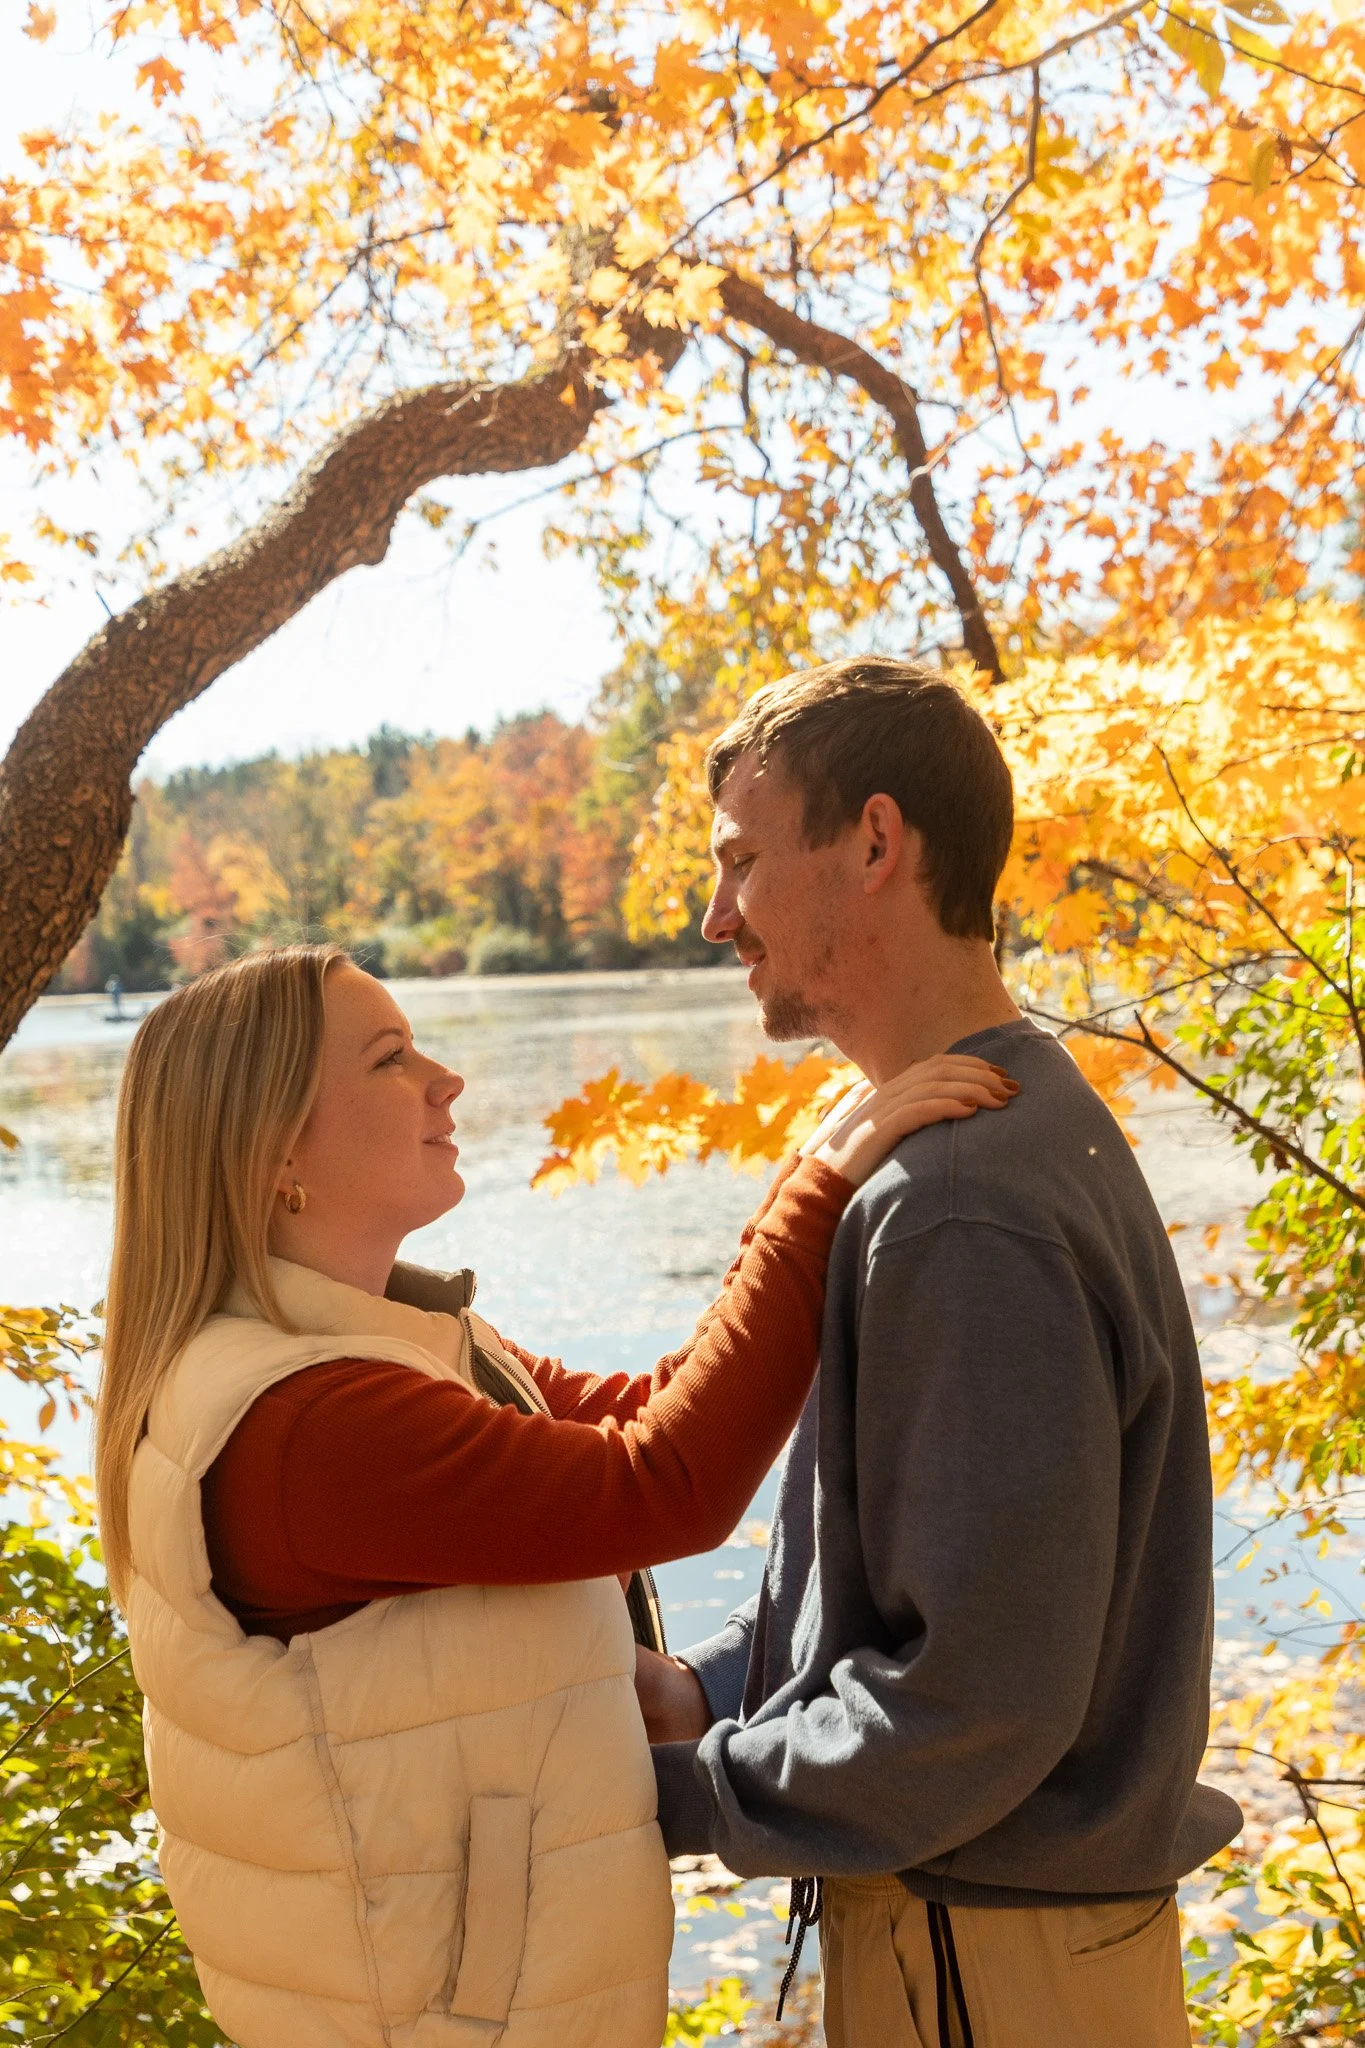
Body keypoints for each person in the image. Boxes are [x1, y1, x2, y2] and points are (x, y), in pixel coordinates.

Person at [93, 942, 1012, 2048]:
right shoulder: (307, 1426)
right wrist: (815, 1195)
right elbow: (663, 1482)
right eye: (391, 1057)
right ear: (278, 1145)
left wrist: (812, 1191)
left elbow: (656, 1405)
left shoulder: (388, 1339)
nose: (448, 1078)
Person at [636, 656, 1243, 2048]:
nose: (717, 913)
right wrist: (705, 1690)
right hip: (1018, 1949)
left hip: (990, 1966)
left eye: (740, 859)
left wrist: (668, 1793)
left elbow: (970, 1705)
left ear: (872, 842)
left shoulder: (959, 1202)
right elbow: (918, 1587)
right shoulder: (1006, 1128)